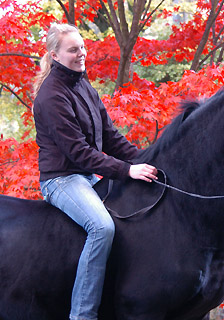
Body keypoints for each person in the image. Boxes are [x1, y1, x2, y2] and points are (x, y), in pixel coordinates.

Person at [33, 23, 157, 320]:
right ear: (56, 55)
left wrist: (148, 160)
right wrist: (128, 171)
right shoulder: (51, 96)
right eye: (73, 49)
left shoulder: (83, 85)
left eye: (83, 47)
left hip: (88, 175)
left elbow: (111, 137)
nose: (81, 54)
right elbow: (79, 153)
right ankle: (82, 314)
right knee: (102, 227)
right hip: (62, 179)